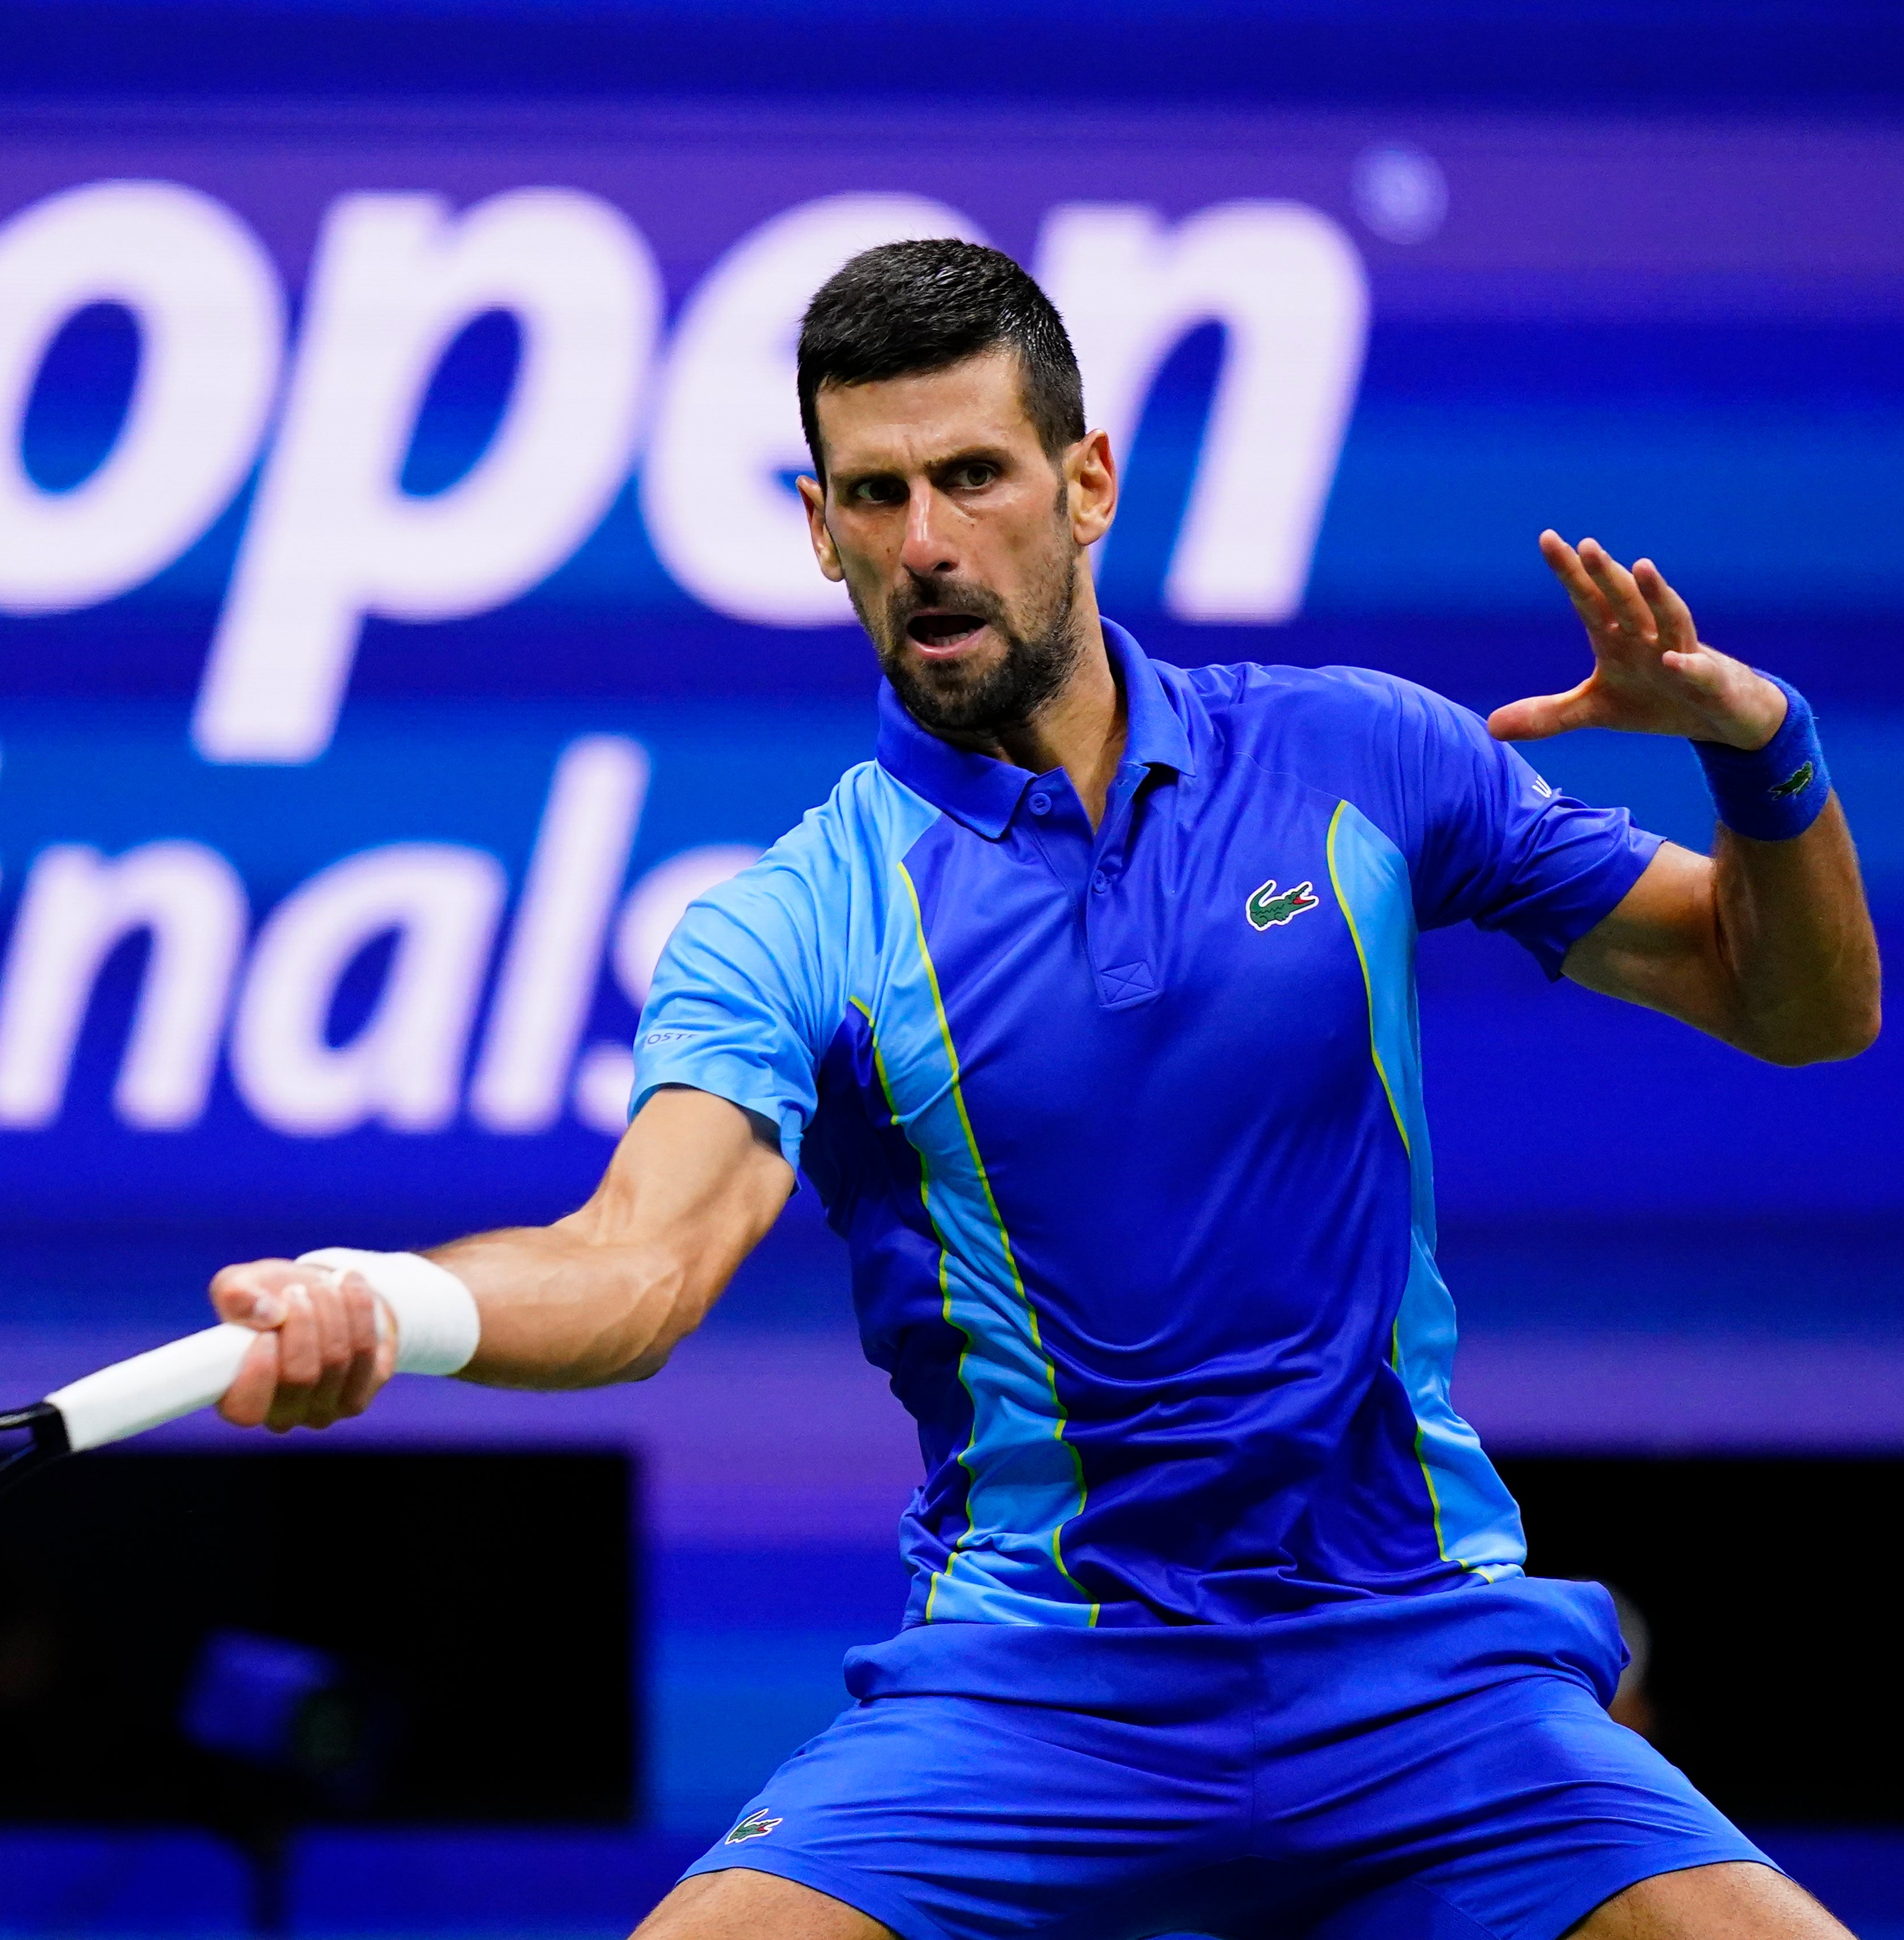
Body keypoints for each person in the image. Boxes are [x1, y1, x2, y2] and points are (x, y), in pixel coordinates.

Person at [199, 240, 1879, 1940]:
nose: (923, 542)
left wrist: (1758, 754)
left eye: (971, 477)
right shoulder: (799, 919)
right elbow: (635, 1268)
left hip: (1421, 1671)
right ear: (816, 527)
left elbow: (1794, 1006)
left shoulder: (1356, 756)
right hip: (1030, 1697)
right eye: (873, 494)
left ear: (1082, 487)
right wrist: (392, 1301)